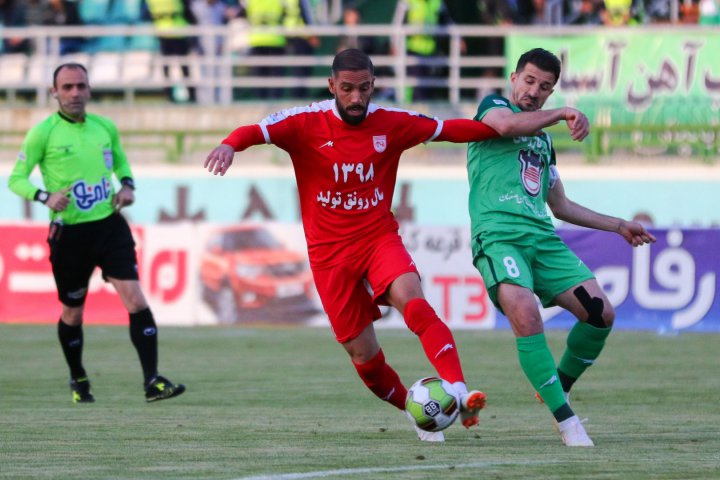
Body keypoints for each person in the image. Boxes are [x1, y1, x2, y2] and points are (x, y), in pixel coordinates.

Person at [204, 48, 571, 442]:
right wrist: (228, 145)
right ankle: (419, 411)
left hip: (378, 238)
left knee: (414, 301)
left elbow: (452, 130)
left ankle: (459, 393)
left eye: (364, 88)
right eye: (347, 89)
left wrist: (507, 128)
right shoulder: (304, 122)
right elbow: (253, 132)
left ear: (373, 85)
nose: (357, 98)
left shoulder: (392, 123)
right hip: (329, 257)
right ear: (332, 87)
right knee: (365, 359)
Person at [466, 48, 656, 446]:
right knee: (525, 312)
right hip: (499, 237)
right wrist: (562, 113)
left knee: (600, 313)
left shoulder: (542, 144)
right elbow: (504, 127)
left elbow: (561, 205)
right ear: (514, 77)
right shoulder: (493, 107)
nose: (535, 92)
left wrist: (618, 225)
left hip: (543, 239)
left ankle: (557, 387)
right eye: (530, 81)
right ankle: (568, 422)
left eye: (545, 88)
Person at [8, 63, 186, 404]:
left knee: (135, 299)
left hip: (109, 225)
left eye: (80, 86)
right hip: (70, 234)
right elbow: (16, 178)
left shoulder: (104, 127)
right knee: (73, 312)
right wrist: (44, 196)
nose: (75, 93)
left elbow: (120, 164)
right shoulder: (42, 133)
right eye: (67, 87)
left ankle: (152, 381)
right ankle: (78, 378)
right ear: (54, 92)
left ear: (89, 90)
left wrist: (129, 186)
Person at [142, 0, 198, 103]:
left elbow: (146, 14)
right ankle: (190, 95)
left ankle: (170, 95)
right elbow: (187, 10)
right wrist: (194, 23)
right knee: (182, 66)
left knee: (168, 67)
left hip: (164, 32)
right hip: (177, 32)